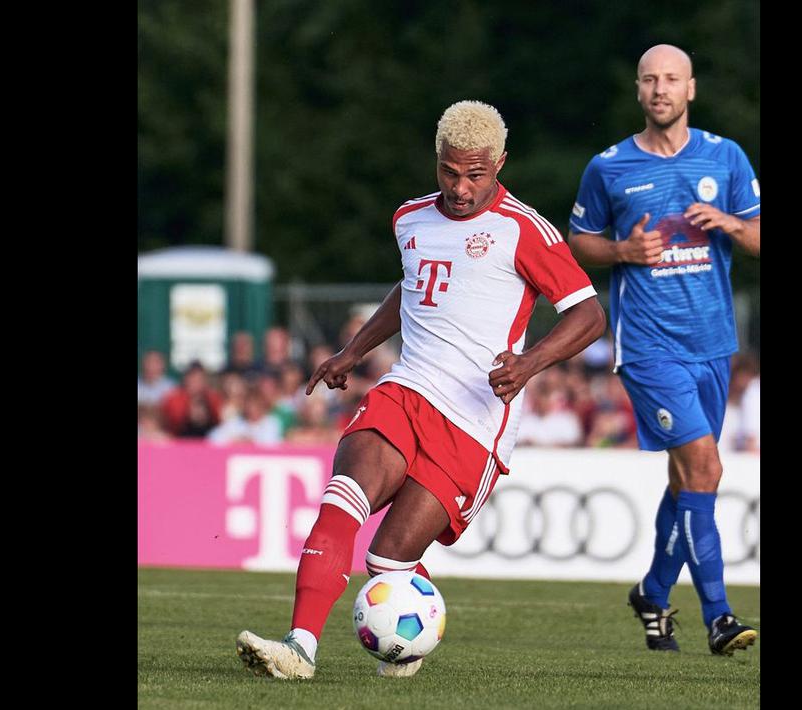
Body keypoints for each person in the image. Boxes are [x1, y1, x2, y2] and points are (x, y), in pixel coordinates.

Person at [237, 100, 605, 680]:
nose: (460, 187)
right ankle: (299, 648)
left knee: (388, 562)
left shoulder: (524, 230)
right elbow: (409, 288)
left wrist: (531, 362)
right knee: (341, 499)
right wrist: (353, 353)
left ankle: (408, 634)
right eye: (450, 172)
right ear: (437, 161)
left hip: (474, 423)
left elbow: (588, 314)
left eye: (475, 175)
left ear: (500, 163)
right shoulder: (410, 218)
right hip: (405, 390)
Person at [566, 44, 760, 657]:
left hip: (712, 345)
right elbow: (579, 241)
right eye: (650, 79)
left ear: (690, 89)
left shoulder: (725, 156)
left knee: (686, 480)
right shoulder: (610, 166)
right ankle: (720, 618)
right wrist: (622, 252)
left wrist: (730, 224)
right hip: (648, 346)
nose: (660, 89)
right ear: (639, 90)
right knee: (705, 468)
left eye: (671, 79)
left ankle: (652, 591)